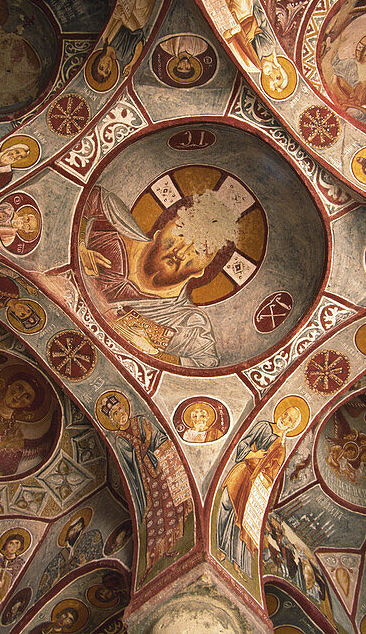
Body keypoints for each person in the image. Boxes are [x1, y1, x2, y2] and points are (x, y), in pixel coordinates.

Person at [79, 185, 240, 367]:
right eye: (182, 232)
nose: (181, 251)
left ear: (203, 270)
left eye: (200, 250)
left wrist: (155, 355)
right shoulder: (111, 225)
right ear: (160, 229)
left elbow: (205, 364)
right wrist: (79, 244)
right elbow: (87, 197)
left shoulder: (188, 324)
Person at [99, 392, 189, 570]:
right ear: (113, 420)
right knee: (157, 512)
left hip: (159, 469)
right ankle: (160, 550)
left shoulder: (141, 421)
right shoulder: (118, 439)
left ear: (126, 407)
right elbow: (131, 461)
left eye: (120, 409)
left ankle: (179, 537)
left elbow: (159, 438)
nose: (120, 414)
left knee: (170, 503)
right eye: (115, 414)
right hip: (145, 482)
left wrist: (155, 442)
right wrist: (145, 442)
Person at [217, 403, 303, 577]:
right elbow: (244, 443)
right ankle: (220, 546)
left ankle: (236, 560)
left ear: (292, 426)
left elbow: (273, 471)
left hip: (255, 484)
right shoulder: (263, 426)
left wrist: (265, 482)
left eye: (290, 420)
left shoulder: (281, 446)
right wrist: (252, 454)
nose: (284, 419)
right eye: (285, 414)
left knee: (242, 518)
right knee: (226, 502)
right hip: (242, 471)